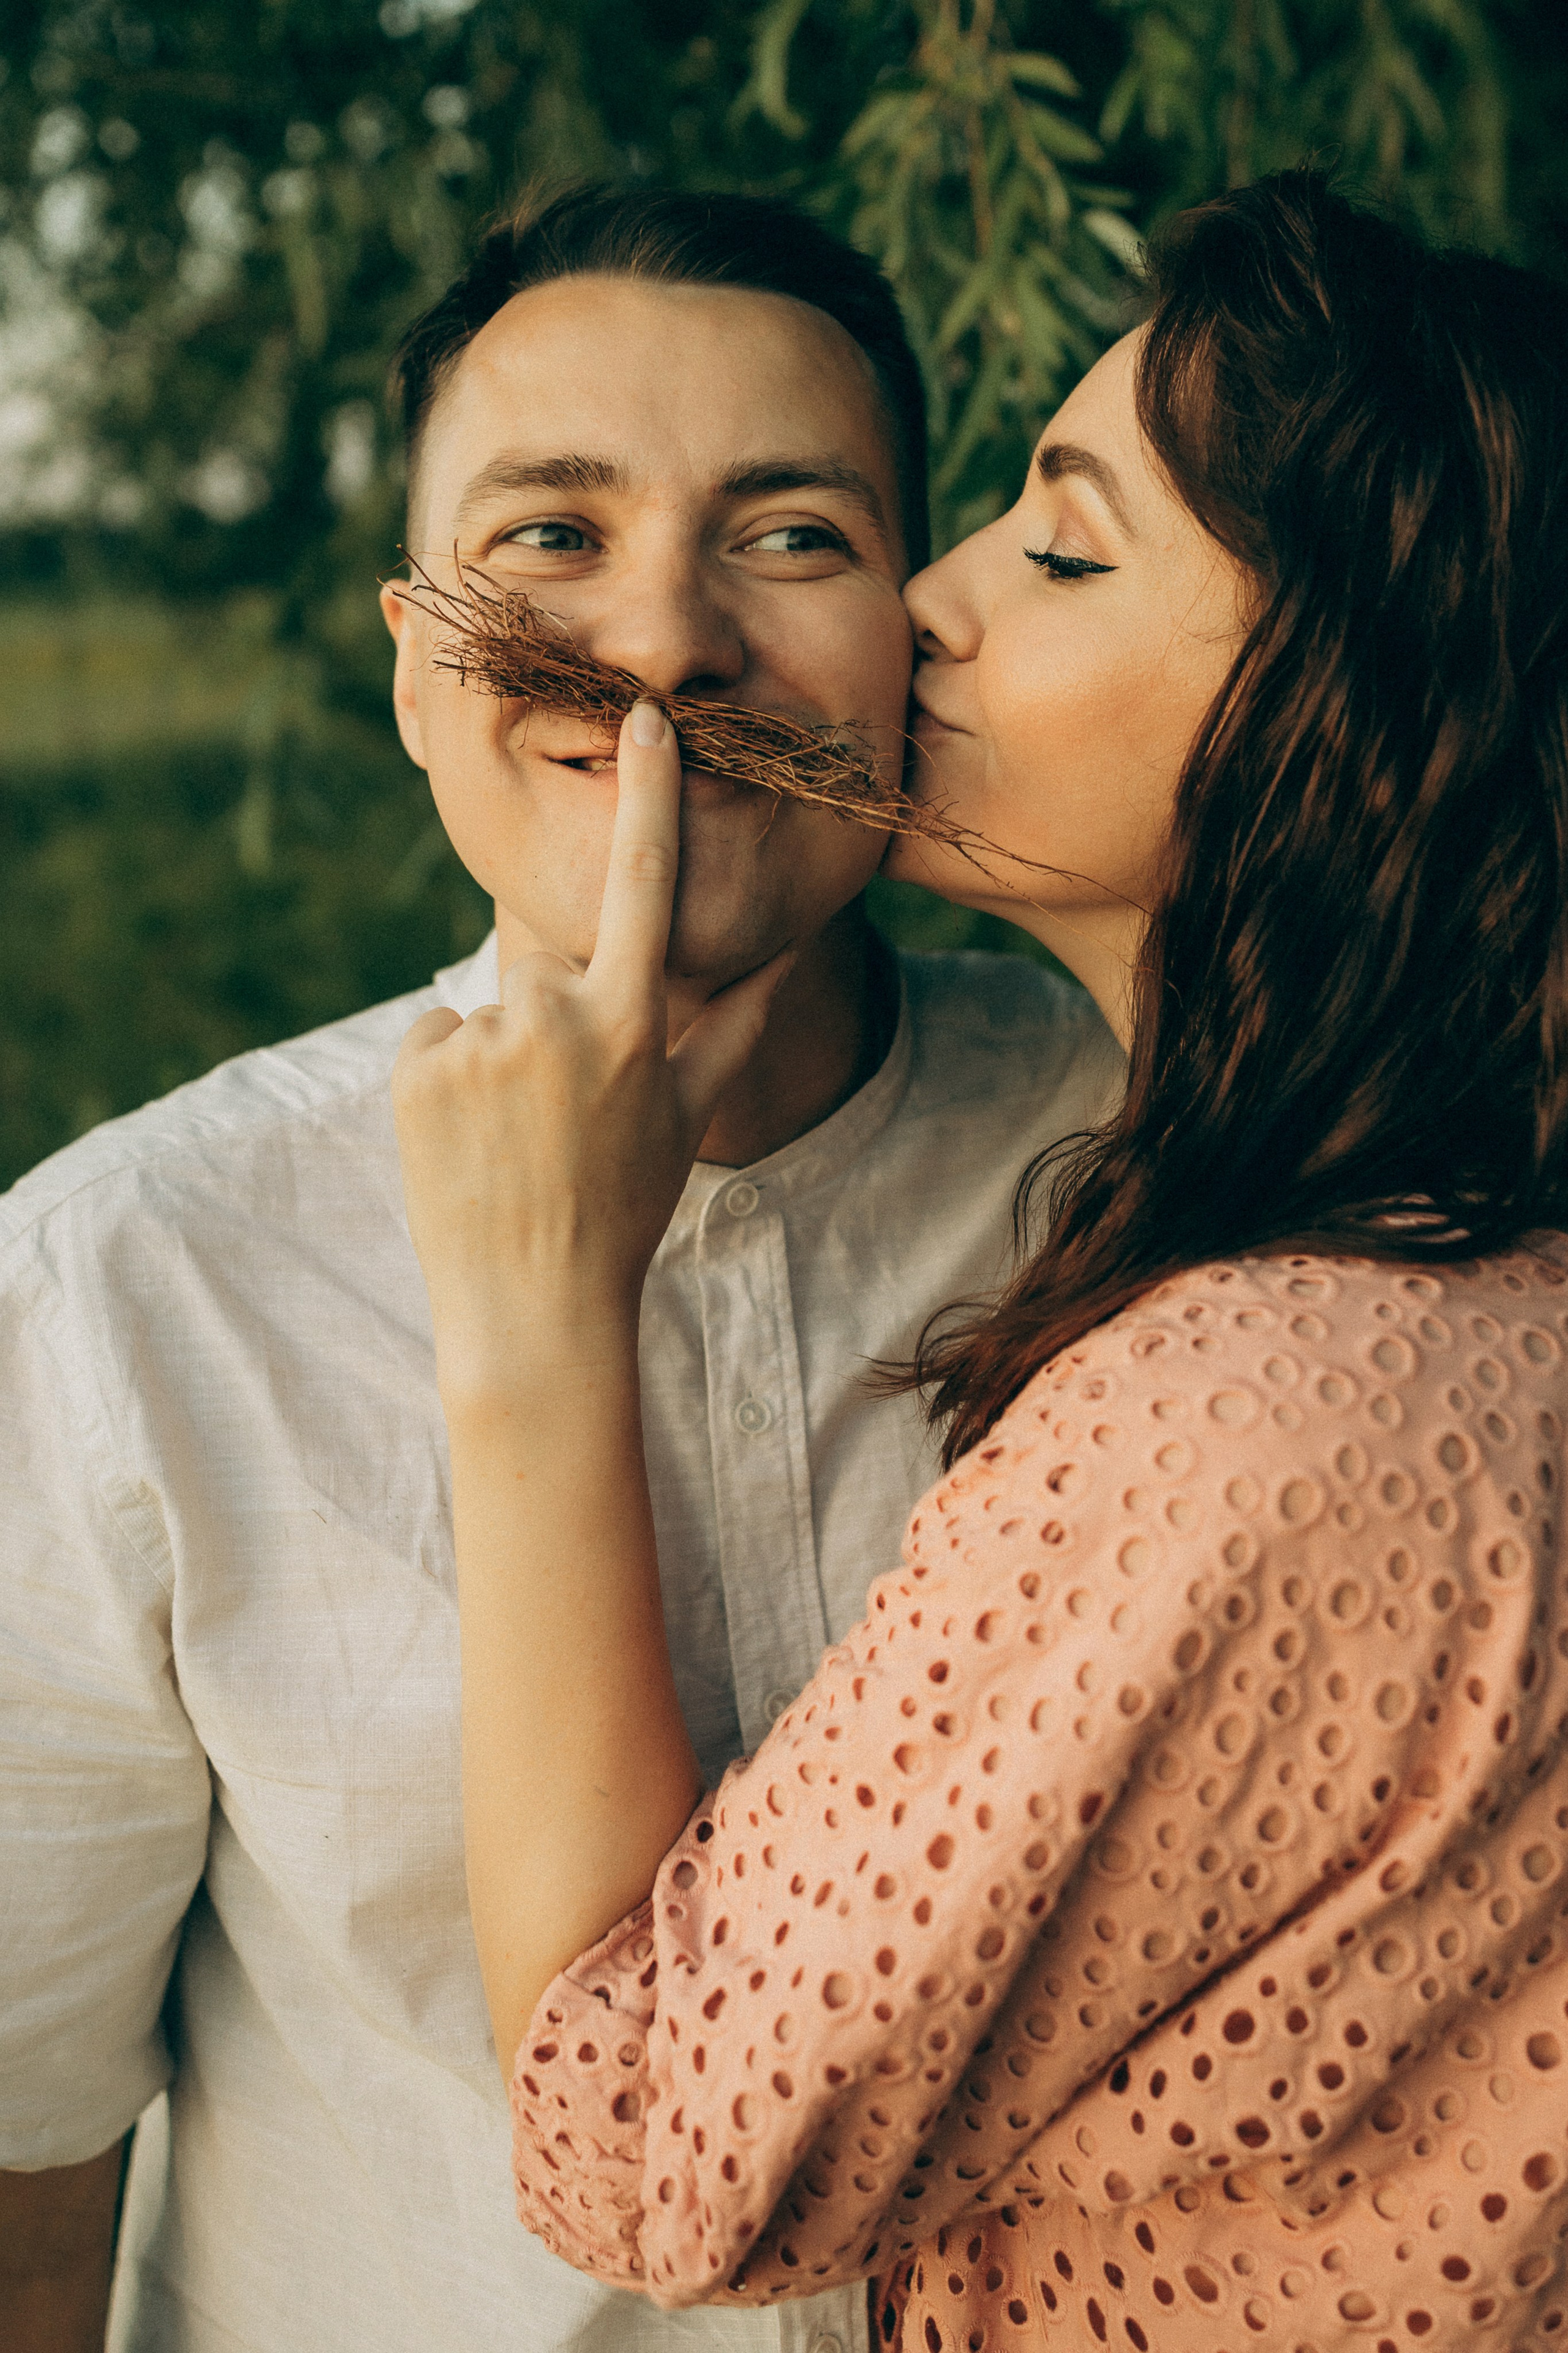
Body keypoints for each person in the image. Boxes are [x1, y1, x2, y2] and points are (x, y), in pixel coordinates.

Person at [389, 173, 1568, 2353]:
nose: (931, 605)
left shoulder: (1246, 1404)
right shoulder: (1479, 1278)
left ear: (1331, 718)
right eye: (551, 531)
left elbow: (647, 2142)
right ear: (409, 649)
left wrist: (535, 1322)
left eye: (1062, 549)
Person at [0, 190, 1118, 2353]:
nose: (665, 643)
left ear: (920, 635)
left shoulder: (1153, 1170)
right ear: (413, 663)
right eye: (551, 536)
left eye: (791, 534)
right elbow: (24, 2159)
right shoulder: (121, 1295)